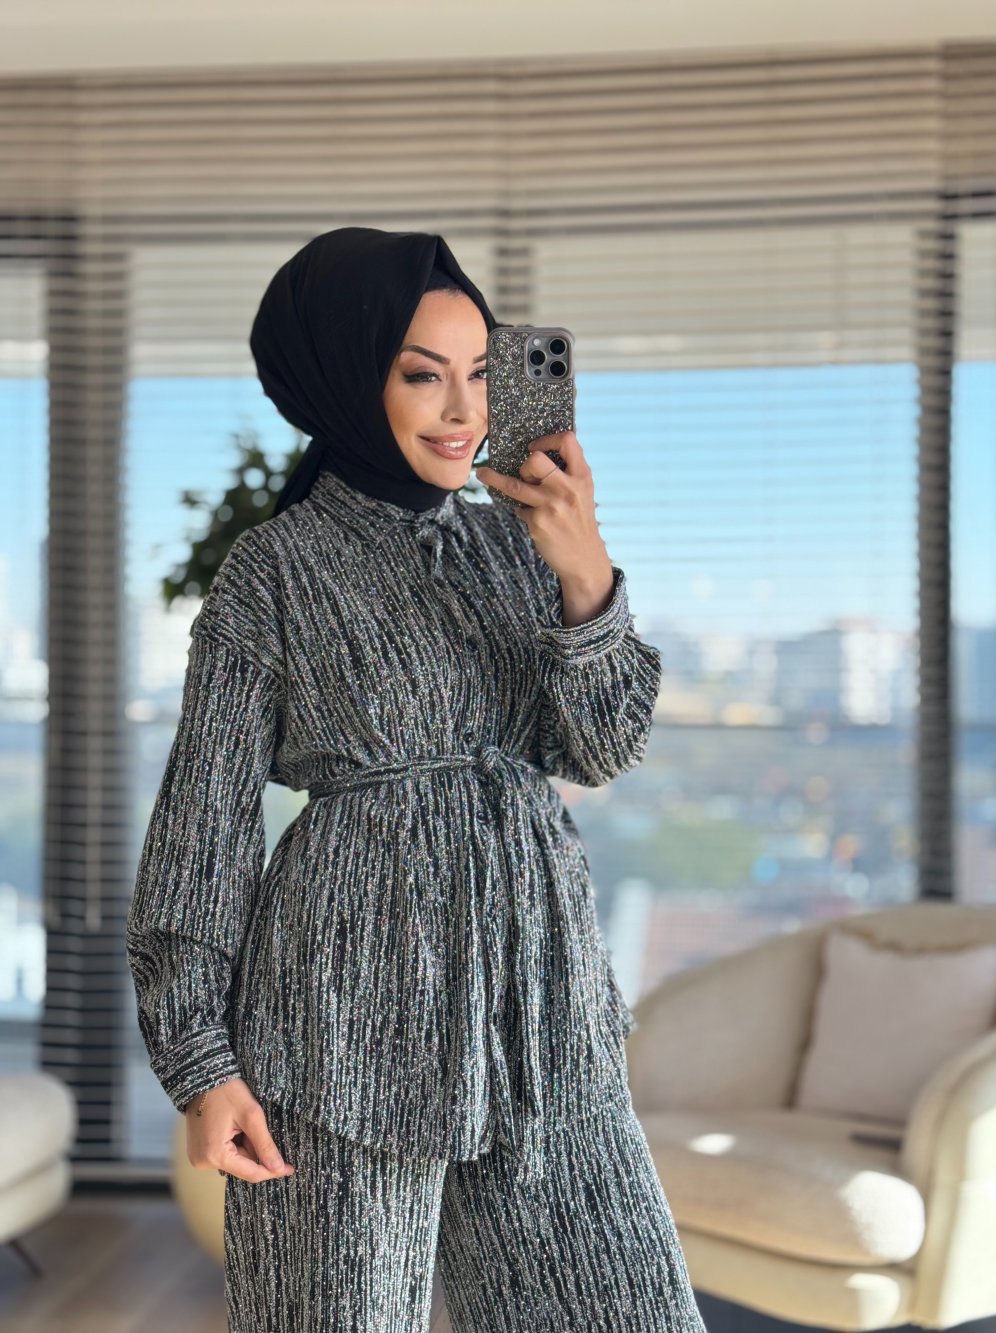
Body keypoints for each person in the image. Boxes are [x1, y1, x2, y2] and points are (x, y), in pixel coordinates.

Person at [125, 226, 707, 1332]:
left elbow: (601, 748)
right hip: (338, 1026)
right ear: (349, 377)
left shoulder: (520, 541)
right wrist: (201, 1060)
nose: (463, 411)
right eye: (421, 375)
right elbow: (204, 827)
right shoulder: (274, 569)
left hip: (539, 1017)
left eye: (482, 374)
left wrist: (583, 567)